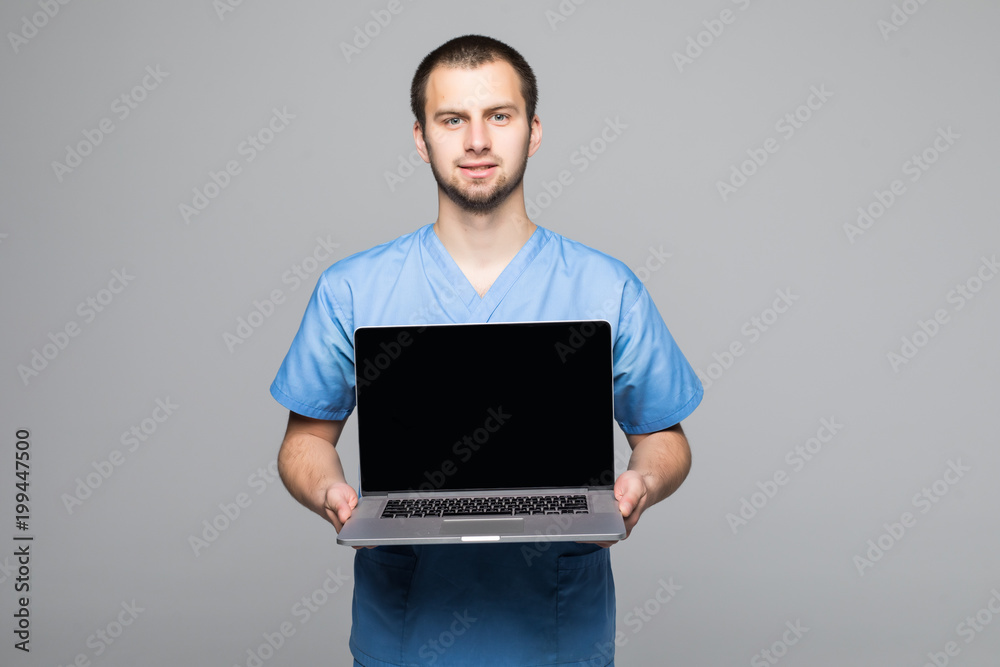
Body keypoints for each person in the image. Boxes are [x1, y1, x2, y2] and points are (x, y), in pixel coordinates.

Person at [270, 34, 703, 667]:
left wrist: (644, 481)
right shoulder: (352, 290)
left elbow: (665, 436)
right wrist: (330, 493)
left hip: (557, 632)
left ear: (532, 131)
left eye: (499, 116)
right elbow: (304, 441)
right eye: (453, 120)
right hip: (405, 630)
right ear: (421, 138)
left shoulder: (606, 288)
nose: (477, 141)